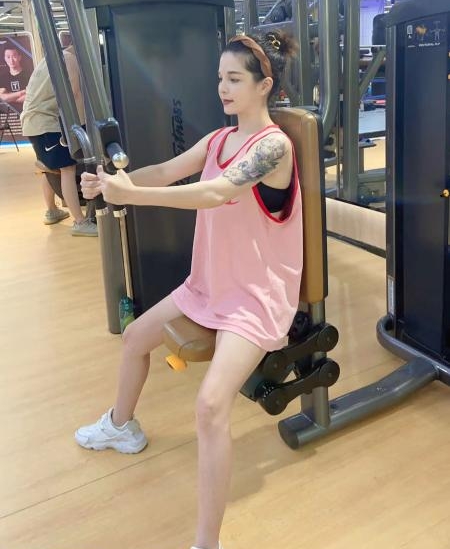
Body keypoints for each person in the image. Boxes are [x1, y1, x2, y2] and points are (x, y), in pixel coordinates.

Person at [75, 30, 303, 549]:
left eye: (235, 79)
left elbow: (217, 192)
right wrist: (113, 186)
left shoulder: (272, 146)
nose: (223, 88)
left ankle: (206, 542)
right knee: (135, 339)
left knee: (210, 406)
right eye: (220, 78)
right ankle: (121, 426)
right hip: (209, 283)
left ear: (264, 86)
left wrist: (133, 197)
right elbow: (164, 171)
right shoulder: (219, 140)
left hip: (255, 297)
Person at [21, 45, 97, 236]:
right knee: (67, 169)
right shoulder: (70, 59)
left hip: (34, 122)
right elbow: (75, 94)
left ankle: (52, 211)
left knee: (49, 167)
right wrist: (82, 127)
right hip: (45, 122)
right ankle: (80, 222)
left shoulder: (51, 56)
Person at [0, 43, 34, 112]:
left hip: (29, 112)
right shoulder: (2, 78)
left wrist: (9, 97)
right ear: (4, 58)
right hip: (10, 115)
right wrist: (21, 93)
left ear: (19, 57)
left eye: (14, 56)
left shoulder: (30, 75)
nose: (11, 60)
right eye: (8, 57)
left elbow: (30, 97)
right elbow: (2, 97)